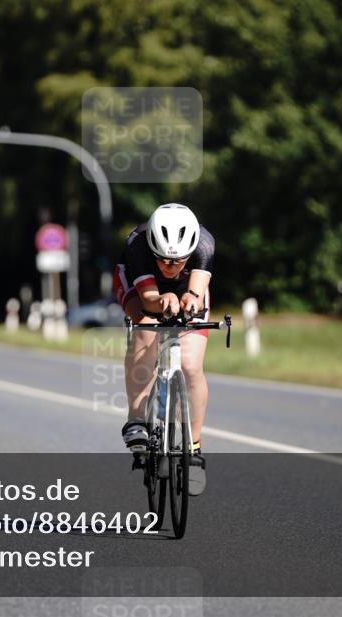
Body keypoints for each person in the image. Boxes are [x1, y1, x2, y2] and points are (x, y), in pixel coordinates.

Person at [112, 203, 215, 495]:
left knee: (191, 365)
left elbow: (196, 291)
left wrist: (190, 301)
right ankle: (136, 420)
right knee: (145, 326)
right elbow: (149, 301)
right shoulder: (138, 245)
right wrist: (162, 300)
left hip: (186, 288)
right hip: (138, 284)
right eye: (164, 260)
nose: (171, 266)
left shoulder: (204, 246)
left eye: (179, 260)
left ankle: (193, 451)